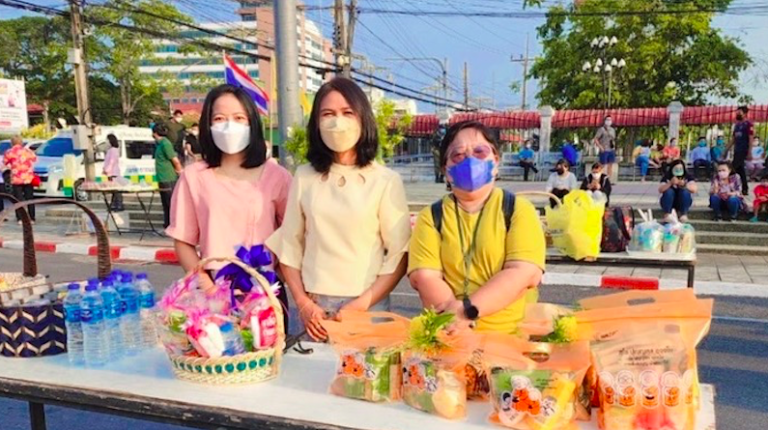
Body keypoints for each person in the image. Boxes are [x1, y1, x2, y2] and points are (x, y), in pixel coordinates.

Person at [266, 77, 411, 341]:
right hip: (315, 308)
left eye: (347, 113)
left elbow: (399, 255)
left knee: (366, 369)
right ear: (316, 123)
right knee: (314, 368)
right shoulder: (304, 176)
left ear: (363, 119)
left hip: (368, 306)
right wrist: (302, 302)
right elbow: (289, 245)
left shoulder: (385, 180)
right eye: (328, 114)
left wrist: (362, 304)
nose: (337, 122)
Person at [408, 120, 545, 334]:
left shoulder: (518, 210)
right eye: (458, 155)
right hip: (448, 334)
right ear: (446, 170)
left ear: (496, 161)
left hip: (508, 336)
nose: (470, 160)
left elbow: (523, 272)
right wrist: (453, 322)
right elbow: (425, 277)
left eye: (480, 152)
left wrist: (465, 312)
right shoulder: (431, 216)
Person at [167, 84, 293, 317]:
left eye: (238, 118)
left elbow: (293, 237)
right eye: (219, 118)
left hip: (265, 291)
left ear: (252, 123)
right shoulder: (194, 177)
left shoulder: (277, 176)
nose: (229, 125)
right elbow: (183, 240)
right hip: (214, 295)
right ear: (208, 125)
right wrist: (209, 289)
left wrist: (277, 278)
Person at [152, 123, 183, 229]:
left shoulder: (166, 144)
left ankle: (174, 226)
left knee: (170, 203)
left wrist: (179, 171)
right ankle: (167, 225)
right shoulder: (159, 144)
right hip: (162, 177)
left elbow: (175, 160)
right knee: (165, 204)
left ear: (155, 133)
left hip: (168, 178)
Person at [3, 136, 37, 223]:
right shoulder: (28, 151)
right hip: (28, 178)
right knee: (30, 198)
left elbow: (5, 162)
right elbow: (34, 159)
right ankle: (32, 218)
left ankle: (20, 218)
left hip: (16, 179)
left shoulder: (9, 152)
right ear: (21, 142)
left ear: (12, 143)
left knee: (18, 199)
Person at [725, 106, 753, 195]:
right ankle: (745, 188)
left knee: (733, 168)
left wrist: (750, 152)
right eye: (737, 112)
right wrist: (726, 150)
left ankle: (726, 185)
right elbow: (733, 139)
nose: (737, 113)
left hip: (743, 149)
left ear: (745, 113)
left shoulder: (748, 124)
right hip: (737, 150)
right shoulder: (737, 125)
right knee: (740, 169)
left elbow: (751, 138)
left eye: (739, 112)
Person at [102, 134, 124, 212]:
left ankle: (119, 205)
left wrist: (107, 170)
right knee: (114, 190)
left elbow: (112, 162)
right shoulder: (110, 150)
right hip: (111, 173)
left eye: (107, 140)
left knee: (116, 190)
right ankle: (114, 205)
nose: (106, 142)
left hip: (114, 173)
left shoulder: (113, 150)